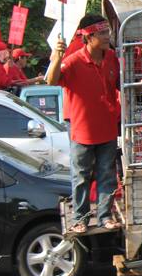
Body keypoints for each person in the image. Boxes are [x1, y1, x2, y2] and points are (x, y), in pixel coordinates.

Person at [45, 14, 121, 233]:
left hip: (107, 126)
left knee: (107, 174)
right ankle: (80, 218)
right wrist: (57, 56)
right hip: (81, 129)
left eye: (108, 32)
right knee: (81, 176)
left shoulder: (111, 57)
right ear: (89, 36)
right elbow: (51, 80)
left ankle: (105, 215)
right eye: (103, 33)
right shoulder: (73, 61)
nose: (108, 36)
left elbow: (118, 83)